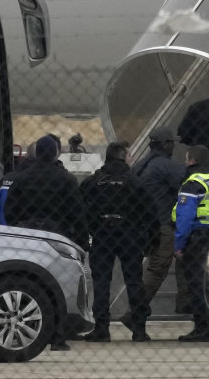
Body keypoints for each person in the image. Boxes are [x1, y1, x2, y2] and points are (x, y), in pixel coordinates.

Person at [4, 135, 89, 351]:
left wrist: (18, 228)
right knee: (58, 285)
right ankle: (58, 336)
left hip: (27, 235)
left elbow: (9, 211)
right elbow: (77, 213)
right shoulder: (66, 180)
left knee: (26, 282)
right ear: (55, 153)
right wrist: (81, 242)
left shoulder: (21, 179)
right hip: (57, 237)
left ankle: (25, 329)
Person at [80, 142, 158, 342]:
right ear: (123, 157)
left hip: (102, 235)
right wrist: (150, 239)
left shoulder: (93, 182)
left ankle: (101, 328)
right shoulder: (135, 182)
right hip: (129, 235)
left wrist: (90, 230)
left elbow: (79, 209)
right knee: (134, 281)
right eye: (130, 156)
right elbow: (150, 212)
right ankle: (139, 329)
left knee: (101, 282)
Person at [120, 126, 188, 330]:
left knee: (153, 265)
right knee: (158, 268)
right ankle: (135, 311)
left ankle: (139, 308)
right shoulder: (166, 166)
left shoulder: (140, 165)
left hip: (143, 226)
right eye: (171, 143)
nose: (173, 147)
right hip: (163, 225)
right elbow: (187, 185)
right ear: (165, 144)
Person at [172, 145, 209, 342]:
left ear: (192, 161)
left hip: (197, 238)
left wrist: (179, 244)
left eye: (186, 159)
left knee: (196, 284)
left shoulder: (192, 184)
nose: (185, 163)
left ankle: (202, 327)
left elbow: (184, 218)